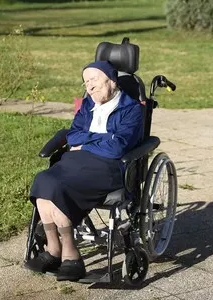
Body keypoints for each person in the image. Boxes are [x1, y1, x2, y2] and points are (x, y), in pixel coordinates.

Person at [24, 60, 143, 281]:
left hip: (108, 167)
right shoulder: (87, 105)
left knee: (58, 187)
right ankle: (53, 249)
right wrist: (99, 138)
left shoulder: (132, 109)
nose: (90, 86)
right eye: (86, 82)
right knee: (43, 181)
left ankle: (71, 254)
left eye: (94, 80)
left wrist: (87, 143)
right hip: (75, 160)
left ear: (111, 80)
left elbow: (117, 146)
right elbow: (72, 134)